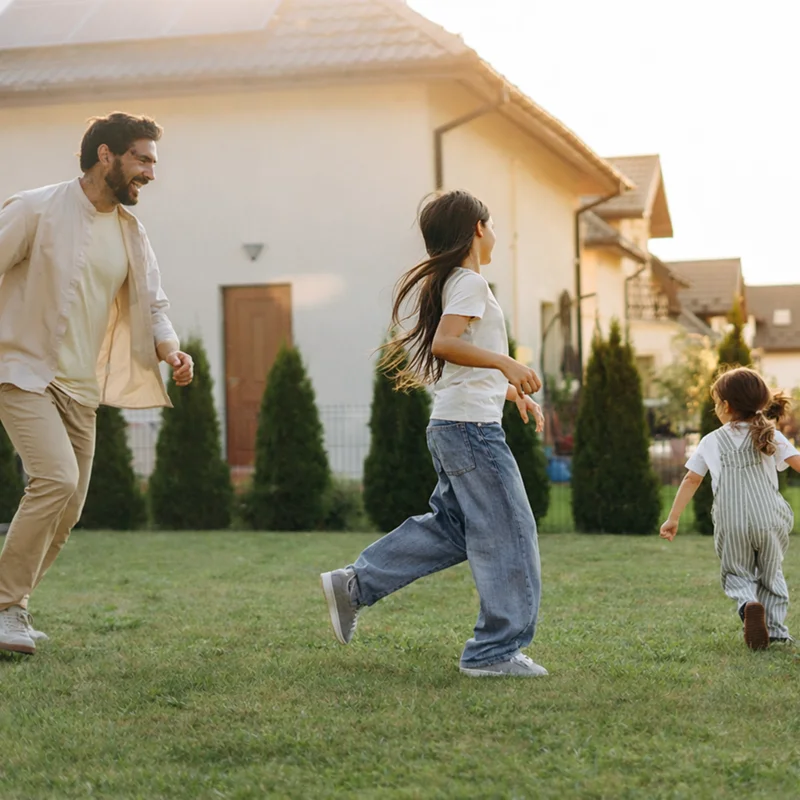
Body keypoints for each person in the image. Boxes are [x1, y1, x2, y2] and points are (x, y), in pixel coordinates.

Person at [320, 190, 548, 677]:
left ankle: (354, 586)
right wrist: (508, 364)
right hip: (470, 432)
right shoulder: (468, 282)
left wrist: (510, 393)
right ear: (478, 229)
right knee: (511, 531)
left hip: (458, 424)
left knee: (452, 529)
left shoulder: (456, 283)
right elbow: (447, 345)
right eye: (491, 225)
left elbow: (462, 365)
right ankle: (493, 653)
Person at [0, 112, 194, 655]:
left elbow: (154, 304)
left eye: (153, 162)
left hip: (79, 387)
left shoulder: (132, 233)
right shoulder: (34, 208)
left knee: (68, 511)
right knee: (54, 480)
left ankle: (13, 608)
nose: (151, 174)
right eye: (143, 160)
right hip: (22, 371)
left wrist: (171, 349)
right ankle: (4, 608)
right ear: (105, 155)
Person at [661, 367, 800, 650]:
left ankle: (749, 603)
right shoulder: (770, 435)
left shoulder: (711, 441)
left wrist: (673, 518)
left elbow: (692, 479)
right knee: (771, 573)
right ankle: (776, 632)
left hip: (731, 520)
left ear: (726, 406)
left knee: (737, 572)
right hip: (769, 519)